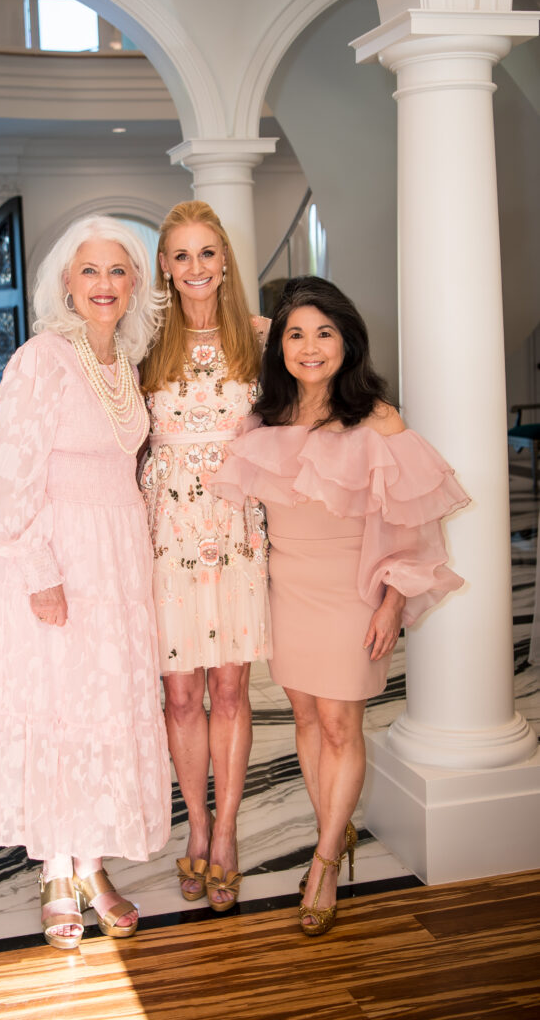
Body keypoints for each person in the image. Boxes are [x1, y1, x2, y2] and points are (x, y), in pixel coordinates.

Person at [209, 276, 469, 935]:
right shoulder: (261, 419)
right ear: (280, 347)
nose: (309, 345)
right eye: (295, 333)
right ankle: (334, 827)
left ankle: (325, 858)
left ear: (347, 341)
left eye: (324, 332)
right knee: (302, 717)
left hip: (352, 591)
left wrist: (388, 605)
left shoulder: (377, 420)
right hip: (287, 591)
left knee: (338, 726)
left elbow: (411, 527)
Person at [0, 215, 171, 948]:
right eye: (90, 271)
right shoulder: (41, 360)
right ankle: (56, 869)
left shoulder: (125, 364)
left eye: (118, 271)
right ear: (66, 282)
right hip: (48, 559)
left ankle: (92, 861)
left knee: (103, 708)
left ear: (136, 282)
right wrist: (41, 573)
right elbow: (13, 477)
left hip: (116, 561)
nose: (105, 285)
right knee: (57, 708)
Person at [138, 200, 271, 912]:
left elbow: (316, 412)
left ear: (224, 262)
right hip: (165, 535)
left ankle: (226, 835)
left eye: (206, 254)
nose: (194, 268)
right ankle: (194, 828)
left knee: (229, 691)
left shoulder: (260, 339)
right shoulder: (142, 344)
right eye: (181, 255)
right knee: (180, 695)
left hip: (236, 530)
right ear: (164, 264)